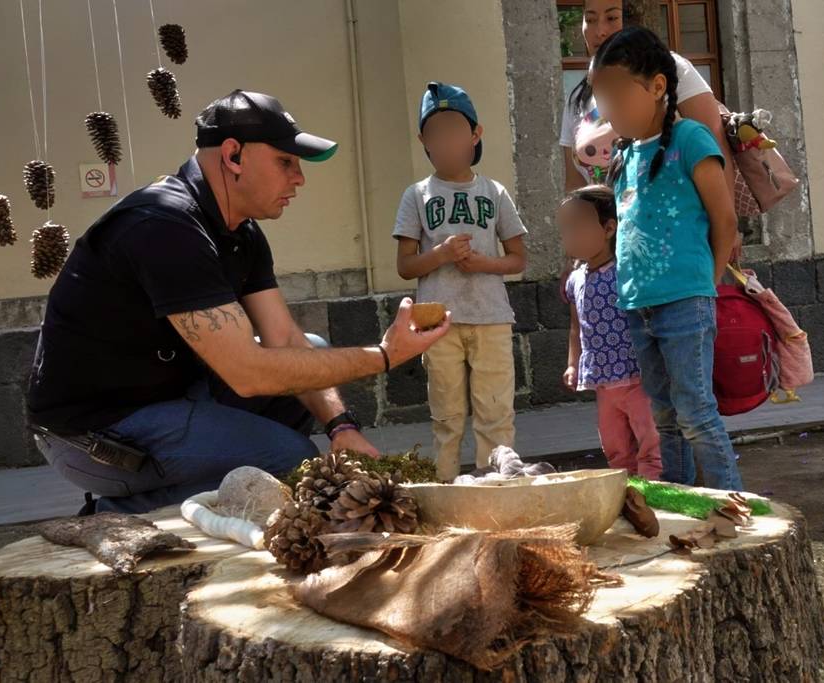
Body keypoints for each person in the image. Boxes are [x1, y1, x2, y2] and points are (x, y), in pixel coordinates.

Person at [27, 90, 449, 514]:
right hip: (93, 435)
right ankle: (116, 514)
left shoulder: (239, 233)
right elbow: (247, 374)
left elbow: (283, 336)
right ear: (232, 156)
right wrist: (383, 356)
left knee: (309, 357)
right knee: (290, 461)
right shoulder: (163, 227)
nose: (299, 178)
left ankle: (223, 479)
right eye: (285, 161)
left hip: (169, 399)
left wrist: (341, 427)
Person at [591, 27, 743, 490]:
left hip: (686, 302)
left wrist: (705, 284)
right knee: (664, 416)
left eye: (618, 94)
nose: (609, 110)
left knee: (695, 410)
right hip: (640, 307)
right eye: (602, 99)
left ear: (658, 87)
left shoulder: (692, 139)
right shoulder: (624, 156)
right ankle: (679, 501)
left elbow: (726, 221)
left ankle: (733, 502)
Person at [393, 82, 528, 483]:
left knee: (496, 415)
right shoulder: (416, 195)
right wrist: (442, 254)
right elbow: (405, 266)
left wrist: (483, 262)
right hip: (439, 325)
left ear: (475, 135)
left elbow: (518, 259)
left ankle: (497, 491)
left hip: (491, 318)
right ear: (424, 141)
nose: (447, 139)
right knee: (447, 417)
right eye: (436, 131)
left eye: (455, 129)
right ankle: (447, 493)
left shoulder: (495, 191)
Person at [559, 0, 735, 194]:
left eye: (611, 18)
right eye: (590, 19)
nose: (599, 31)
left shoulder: (673, 69)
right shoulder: (577, 98)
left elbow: (718, 161)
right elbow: (574, 187)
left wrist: (721, 223)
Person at [559, 184, 661, 479]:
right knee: (615, 446)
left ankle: (655, 491)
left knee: (651, 441)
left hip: (637, 376)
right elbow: (575, 325)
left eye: (578, 226)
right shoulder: (575, 279)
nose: (570, 235)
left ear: (608, 228)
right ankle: (627, 493)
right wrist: (572, 362)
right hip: (603, 381)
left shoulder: (626, 271)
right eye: (565, 229)